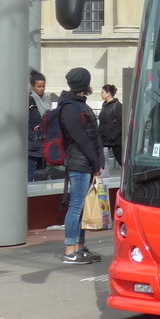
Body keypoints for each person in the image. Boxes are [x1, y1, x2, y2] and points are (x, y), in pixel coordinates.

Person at [58, 67, 104, 265]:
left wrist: (97, 160)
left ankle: (80, 247)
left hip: (85, 161)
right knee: (76, 206)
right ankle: (70, 250)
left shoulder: (78, 105)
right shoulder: (70, 107)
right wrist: (96, 161)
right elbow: (81, 138)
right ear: (85, 83)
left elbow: (92, 136)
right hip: (79, 162)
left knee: (82, 206)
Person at [27, 70, 49, 182]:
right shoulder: (28, 100)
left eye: (43, 86)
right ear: (33, 86)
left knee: (41, 175)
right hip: (31, 143)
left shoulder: (47, 99)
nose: (41, 89)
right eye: (39, 86)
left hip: (43, 143)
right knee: (29, 176)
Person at [99, 84, 123, 170]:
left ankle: (130, 176)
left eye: (103, 92)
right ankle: (96, 177)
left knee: (120, 159)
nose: (101, 94)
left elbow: (120, 122)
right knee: (98, 157)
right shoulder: (104, 105)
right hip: (103, 138)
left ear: (109, 93)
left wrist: (113, 135)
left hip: (114, 139)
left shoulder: (117, 105)